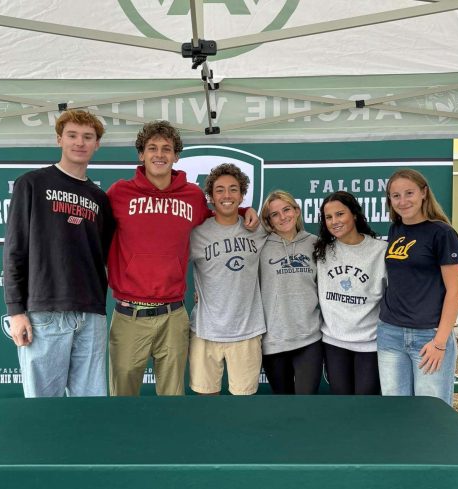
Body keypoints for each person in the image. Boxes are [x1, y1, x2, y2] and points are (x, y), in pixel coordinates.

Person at [106, 122, 258, 397]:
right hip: (129, 313)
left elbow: (219, 215)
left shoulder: (192, 195)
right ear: (141, 154)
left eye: (167, 149)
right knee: (122, 399)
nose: (159, 154)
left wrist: (246, 209)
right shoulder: (119, 193)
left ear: (177, 156)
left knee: (173, 399)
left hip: (173, 314)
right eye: (152, 148)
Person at [3, 109, 115, 398]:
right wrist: (16, 312)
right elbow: (15, 249)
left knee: (90, 409)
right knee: (43, 408)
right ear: (59, 139)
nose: (80, 142)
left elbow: (103, 256)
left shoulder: (99, 198)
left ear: (97, 144)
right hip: (45, 313)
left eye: (88, 137)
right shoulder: (32, 183)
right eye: (72, 135)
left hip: (91, 314)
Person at [378, 169, 458, 405]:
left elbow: (455, 291)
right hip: (390, 333)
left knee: (430, 414)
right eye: (395, 196)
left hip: (428, 337)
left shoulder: (443, 234)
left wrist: (440, 342)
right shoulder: (395, 230)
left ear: (424, 193)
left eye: (409, 193)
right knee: (396, 413)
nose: (403, 201)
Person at [189, 163, 268, 395]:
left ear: (242, 195)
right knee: (205, 400)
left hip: (247, 331)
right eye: (220, 190)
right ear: (211, 197)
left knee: (242, 405)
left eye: (233, 189)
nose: (227, 195)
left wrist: (248, 211)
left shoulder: (258, 228)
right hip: (205, 331)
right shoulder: (197, 232)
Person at [313, 191, 387, 395]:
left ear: (354, 214)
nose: (334, 221)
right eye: (329, 217)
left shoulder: (381, 250)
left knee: (366, 407)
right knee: (342, 405)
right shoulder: (321, 251)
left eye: (340, 214)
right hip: (334, 342)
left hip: (370, 344)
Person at [258, 190, 323, 394]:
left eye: (287, 209)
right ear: (269, 220)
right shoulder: (260, 246)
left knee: (306, 402)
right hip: (274, 339)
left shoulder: (316, 244)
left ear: (297, 211)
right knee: (283, 404)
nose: (283, 217)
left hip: (309, 338)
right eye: (275, 214)